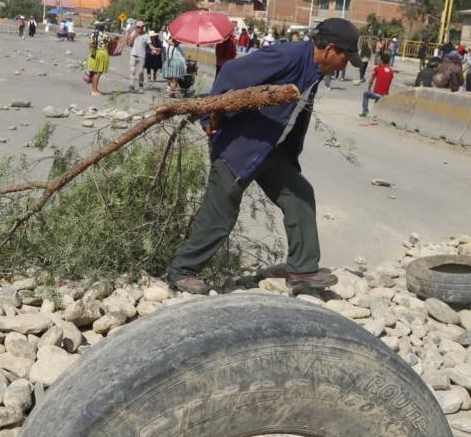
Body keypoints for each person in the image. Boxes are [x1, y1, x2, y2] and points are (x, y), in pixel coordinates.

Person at [165, 18, 361, 294]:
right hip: (240, 148)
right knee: (221, 214)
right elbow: (231, 72)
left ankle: (302, 270)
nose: (343, 66)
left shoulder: (313, 69)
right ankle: (182, 271)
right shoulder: (289, 56)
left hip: (270, 150)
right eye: (344, 58)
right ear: (329, 49)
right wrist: (212, 117)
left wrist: (290, 156)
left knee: (299, 195)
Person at [362, 53, 394, 117]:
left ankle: (365, 111)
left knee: (365, 94)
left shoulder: (377, 68)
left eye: (379, 59)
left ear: (381, 61)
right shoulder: (391, 71)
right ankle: (376, 113)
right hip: (385, 95)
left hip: (377, 94)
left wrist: (369, 87)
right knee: (379, 96)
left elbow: (371, 79)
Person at [86, 24, 110, 97]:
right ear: (103, 28)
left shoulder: (91, 34)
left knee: (93, 72)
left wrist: (91, 53)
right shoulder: (105, 35)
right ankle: (94, 90)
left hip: (93, 53)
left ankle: (94, 89)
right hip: (101, 53)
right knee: (98, 72)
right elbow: (107, 45)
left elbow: (90, 45)